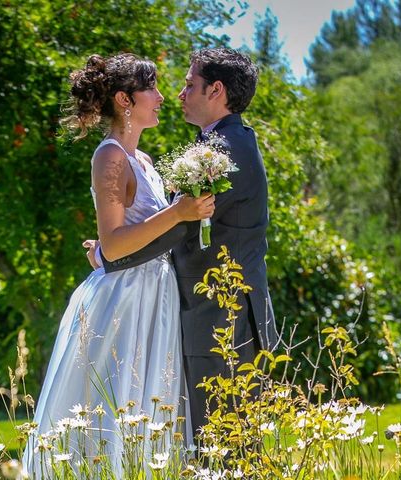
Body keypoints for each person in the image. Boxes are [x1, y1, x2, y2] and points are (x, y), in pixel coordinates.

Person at [23, 53, 214, 476]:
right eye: (153, 89)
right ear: (126, 99)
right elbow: (113, 246)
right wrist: (179, 213)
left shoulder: (143, 161)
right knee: (115, 402)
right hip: (125, 300)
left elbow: (132, 237)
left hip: (154, 292)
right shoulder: (109, 157)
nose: (163, 97)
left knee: (150, 401)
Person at [88, 48, 277, 439]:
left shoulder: (224, 150)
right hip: (199, 311)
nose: (177, 94)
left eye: (190, 84)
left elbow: (180, 228)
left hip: (222, 316)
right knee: (213, 442)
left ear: (216, 90)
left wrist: (108, 256)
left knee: (224, 446)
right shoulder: (224, 142)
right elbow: (175, 219)